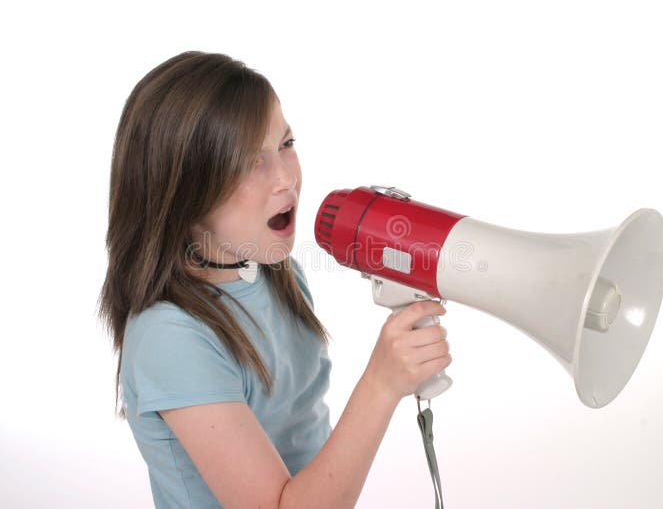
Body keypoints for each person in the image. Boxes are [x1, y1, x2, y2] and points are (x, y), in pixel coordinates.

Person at [97, 51, 451, 509]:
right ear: (184, 189)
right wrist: (382, 384)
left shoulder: (277, 276)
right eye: (250, 162)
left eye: (286, 144)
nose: (287, 179)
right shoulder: (171, 337)